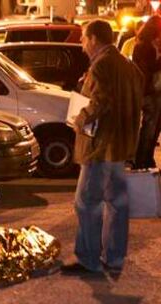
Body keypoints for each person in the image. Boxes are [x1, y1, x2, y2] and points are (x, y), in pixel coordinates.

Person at [60, 20, 144, 275]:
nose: (82, 44)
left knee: (86, 202)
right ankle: (115, 258)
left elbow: (101, 101)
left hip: (100, 147)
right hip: (120, 146)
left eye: (84, 38)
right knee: (117, 203)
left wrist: (80, 118)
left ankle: (88, 258)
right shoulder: (128, 66)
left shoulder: (101, 66)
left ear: (95, 38)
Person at [133, 16, 161, 169]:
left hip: (145, 91)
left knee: (150, 128)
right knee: (149, 129)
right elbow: (148, 69)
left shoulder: (141, 44)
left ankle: (144, 159)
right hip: (149, 92)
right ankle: (142, 160)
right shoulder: (146, 47)